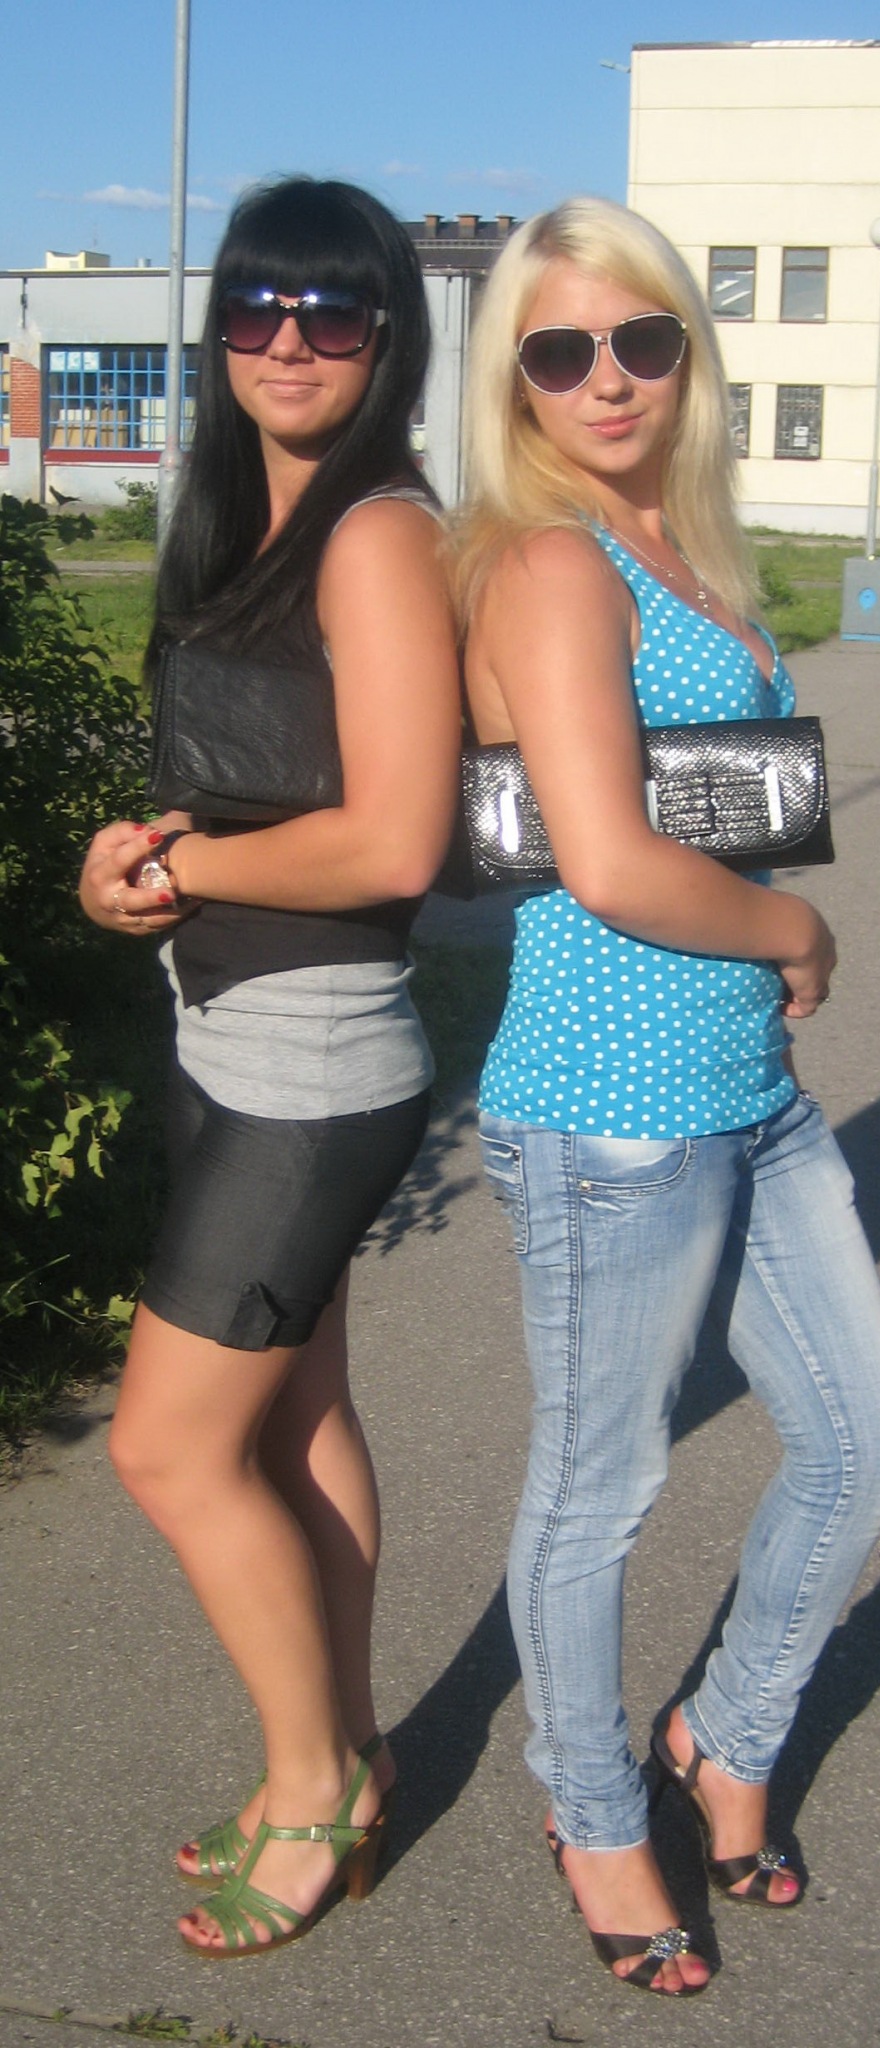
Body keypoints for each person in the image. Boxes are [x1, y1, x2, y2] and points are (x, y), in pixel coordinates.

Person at [453, 197, 880, 1997]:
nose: (605, 377)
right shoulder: (550, 562)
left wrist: (765, 952)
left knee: (866, 1434)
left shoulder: (676, 546)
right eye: (558, 349)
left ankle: (723, 1737)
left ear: (686, 351)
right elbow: (608, 861)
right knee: (599, 1490)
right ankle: (589, 1810)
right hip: (611, 1116)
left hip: (746, 1090)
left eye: (639, 338)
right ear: (513, 375)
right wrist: (795, 925)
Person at [79, 176, 459, 1957]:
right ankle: (347, 1749)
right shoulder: (248, 522)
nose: (287, 340)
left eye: (331, 308)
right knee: (296, 1417)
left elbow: (389, 840)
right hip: (228, 1027)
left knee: (166, 1451)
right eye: (255, 305)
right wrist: (134, 865)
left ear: (390, 333)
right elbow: (246, 785)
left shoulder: (374, 533)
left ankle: (312, 1791)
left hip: (309, 1063)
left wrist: (194, 867)